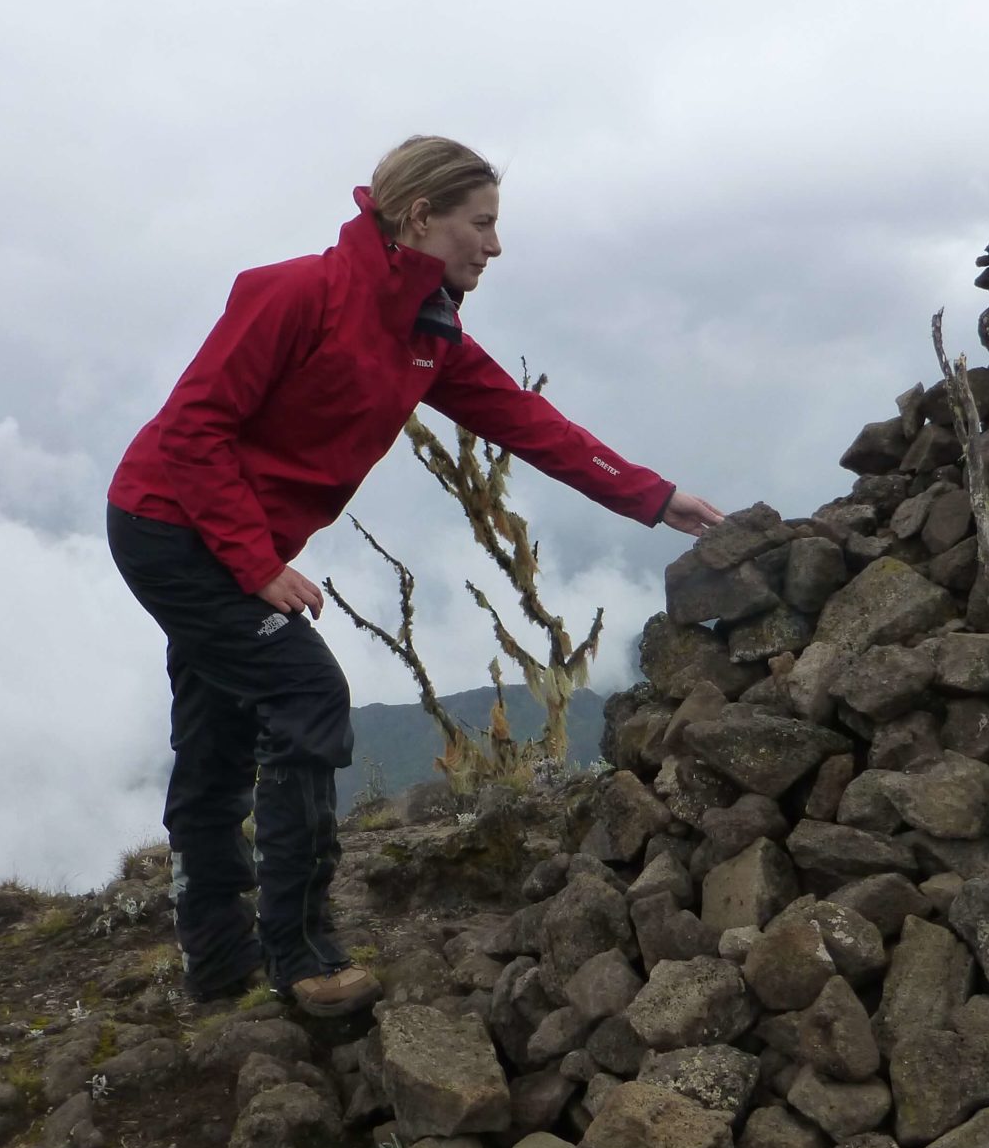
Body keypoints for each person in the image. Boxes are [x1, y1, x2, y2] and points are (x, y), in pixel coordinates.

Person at [106, 136, 724, 1017]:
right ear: (421, 217)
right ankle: (303, 954)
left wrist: (654, 498)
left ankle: (218, 966)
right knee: (305, 693)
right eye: (483, 224)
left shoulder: (424, 333)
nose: (495, 246)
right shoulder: (290, 293)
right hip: (167, 526)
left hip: (226, 537)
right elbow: (192, 432)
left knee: (216, 740)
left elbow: (527, 422)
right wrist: (256, 566)